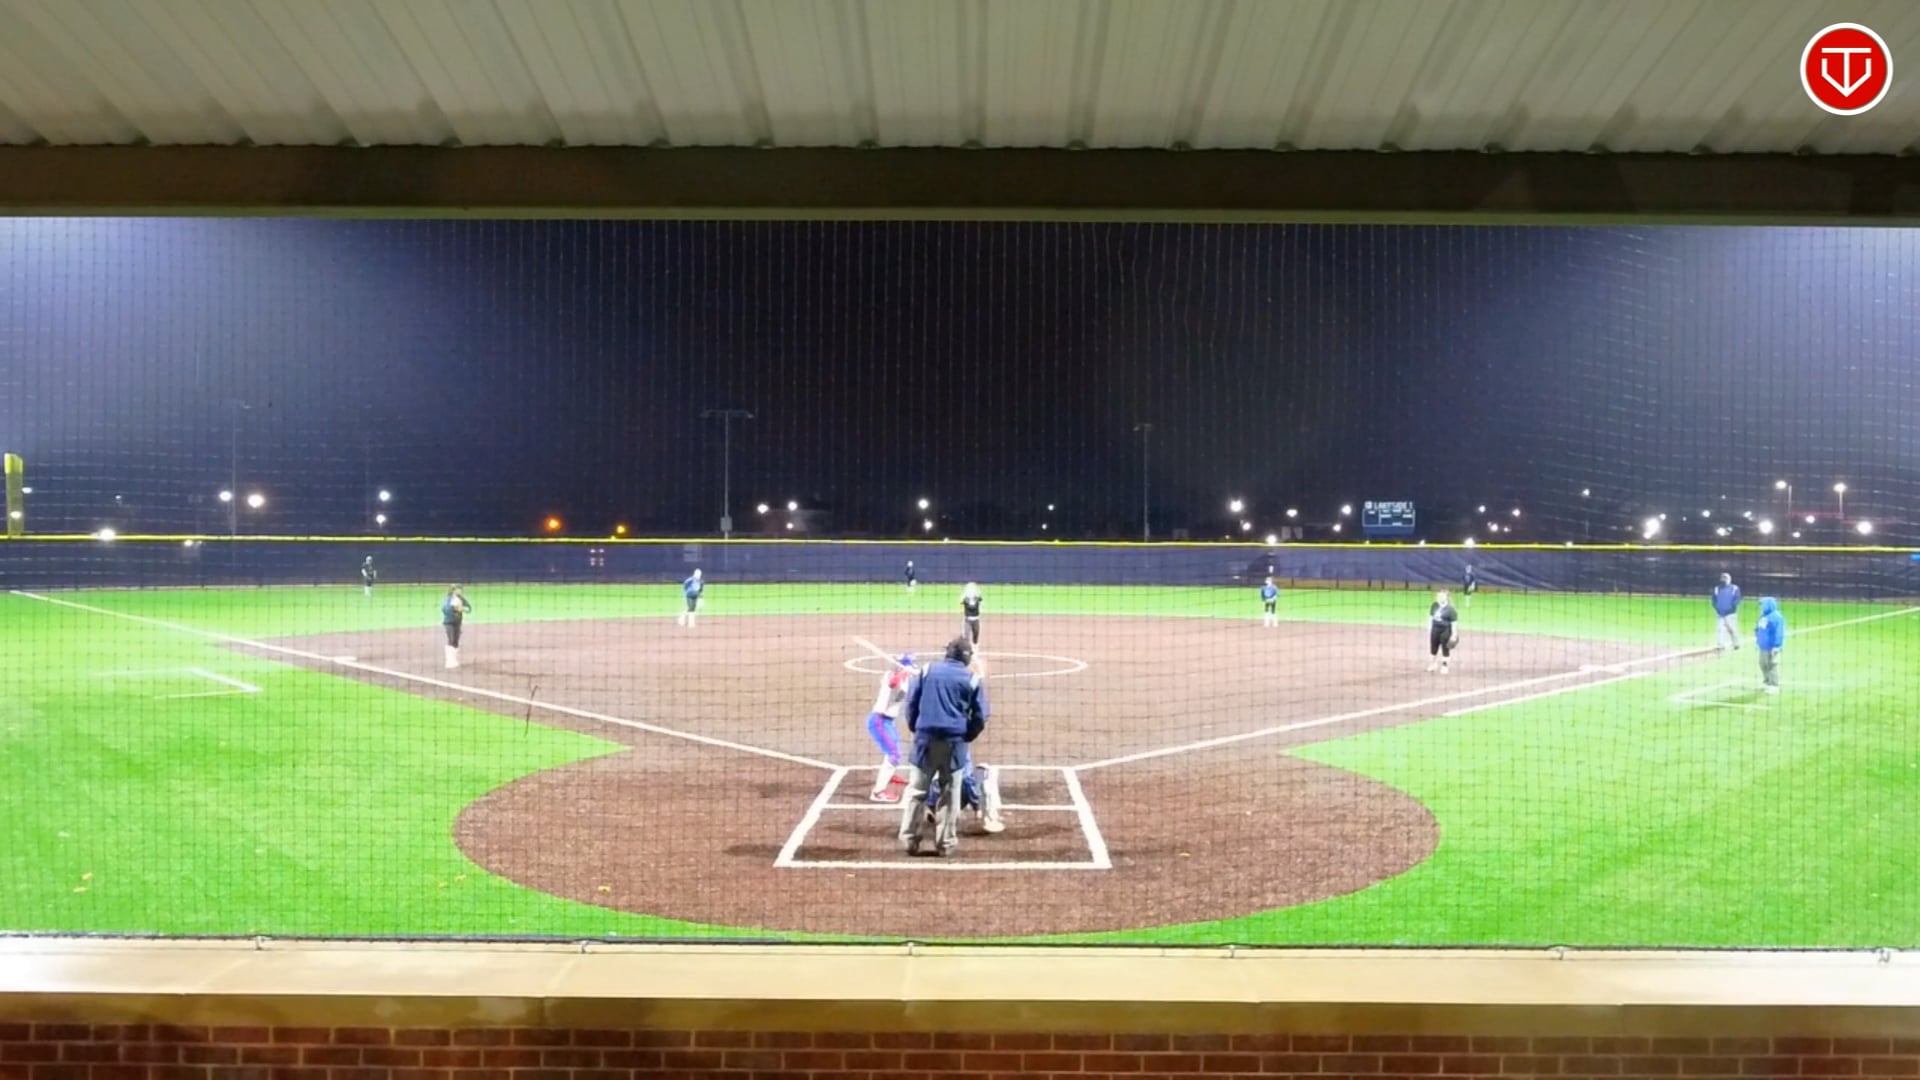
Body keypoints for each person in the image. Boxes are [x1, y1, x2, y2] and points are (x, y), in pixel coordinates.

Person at [899, 635, 1002, 856]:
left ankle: (909, 840)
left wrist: (916, 728)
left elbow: (911, 703)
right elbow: (981, 715)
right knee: (950, 793)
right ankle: (945, 844)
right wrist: (967, 735)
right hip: (954, 744)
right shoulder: (972, 678)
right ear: (966, 657)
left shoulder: (926, 671)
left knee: (917, 792)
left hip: (924, 741)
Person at [865, 654, 916, 802]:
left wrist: (909, 673)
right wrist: (905, 672)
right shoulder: (890, 675)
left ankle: (889, 774)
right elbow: (893, 683)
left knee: (893, 749)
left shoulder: (906, 679)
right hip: (879, 721)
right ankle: (878, 792)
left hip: (888, 722)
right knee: (894, 754)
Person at [1754, 596, 1786, 694]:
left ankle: (1774, 685)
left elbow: (1779, 632)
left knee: (1772, 665)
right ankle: (1767, 683)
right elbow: (1758, 628)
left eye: (1763, 605)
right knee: (1762, 664)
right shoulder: (1763, 616)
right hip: (1763, 646)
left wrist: (1777, 646)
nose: (1761, 607)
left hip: (1772, 647)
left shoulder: (1777, 617)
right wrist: (1757, 635)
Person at [1426, 588, 1458, 674]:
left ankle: (1444, 666)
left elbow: (1454, 623)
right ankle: (1433, 664)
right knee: (1433, 648)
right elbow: (1430, 618)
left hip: (1446, 630)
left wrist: (1454, 634)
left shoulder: (1451, 609)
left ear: (1446, 597)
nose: (1440, 598)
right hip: (1435, 629)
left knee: (1445, 648)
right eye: (1438, 596)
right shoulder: (1434, 605)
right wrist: (1429, 629)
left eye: (1442, 596)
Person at [441, 585, 472, 669]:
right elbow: (445, 610)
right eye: (458, 590)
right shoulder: (448, 599)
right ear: (453, 590)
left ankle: (454, 660)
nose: (460, 591)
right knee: (451, 640)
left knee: (456, 641)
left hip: (458, 622)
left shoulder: (461, 599)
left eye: (461, 590)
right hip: (449, 622)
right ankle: (449, 661)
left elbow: (469, 608)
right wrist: (454, 608)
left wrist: (463, 609)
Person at [1712, 572, 1743, 651]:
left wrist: (1732, 608)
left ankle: (1736, 643)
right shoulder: (1717, 588)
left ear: (1729, 579)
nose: (1723, 579)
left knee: (1732, 629)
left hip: (1730, 614)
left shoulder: (1734, 588)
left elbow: (1737, 599)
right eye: (1722, 578)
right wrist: (1717, 608)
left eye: (1725, 578)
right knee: (1720, 629)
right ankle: (1721, 645)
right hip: (1720, 613)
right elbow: (1714, 600)